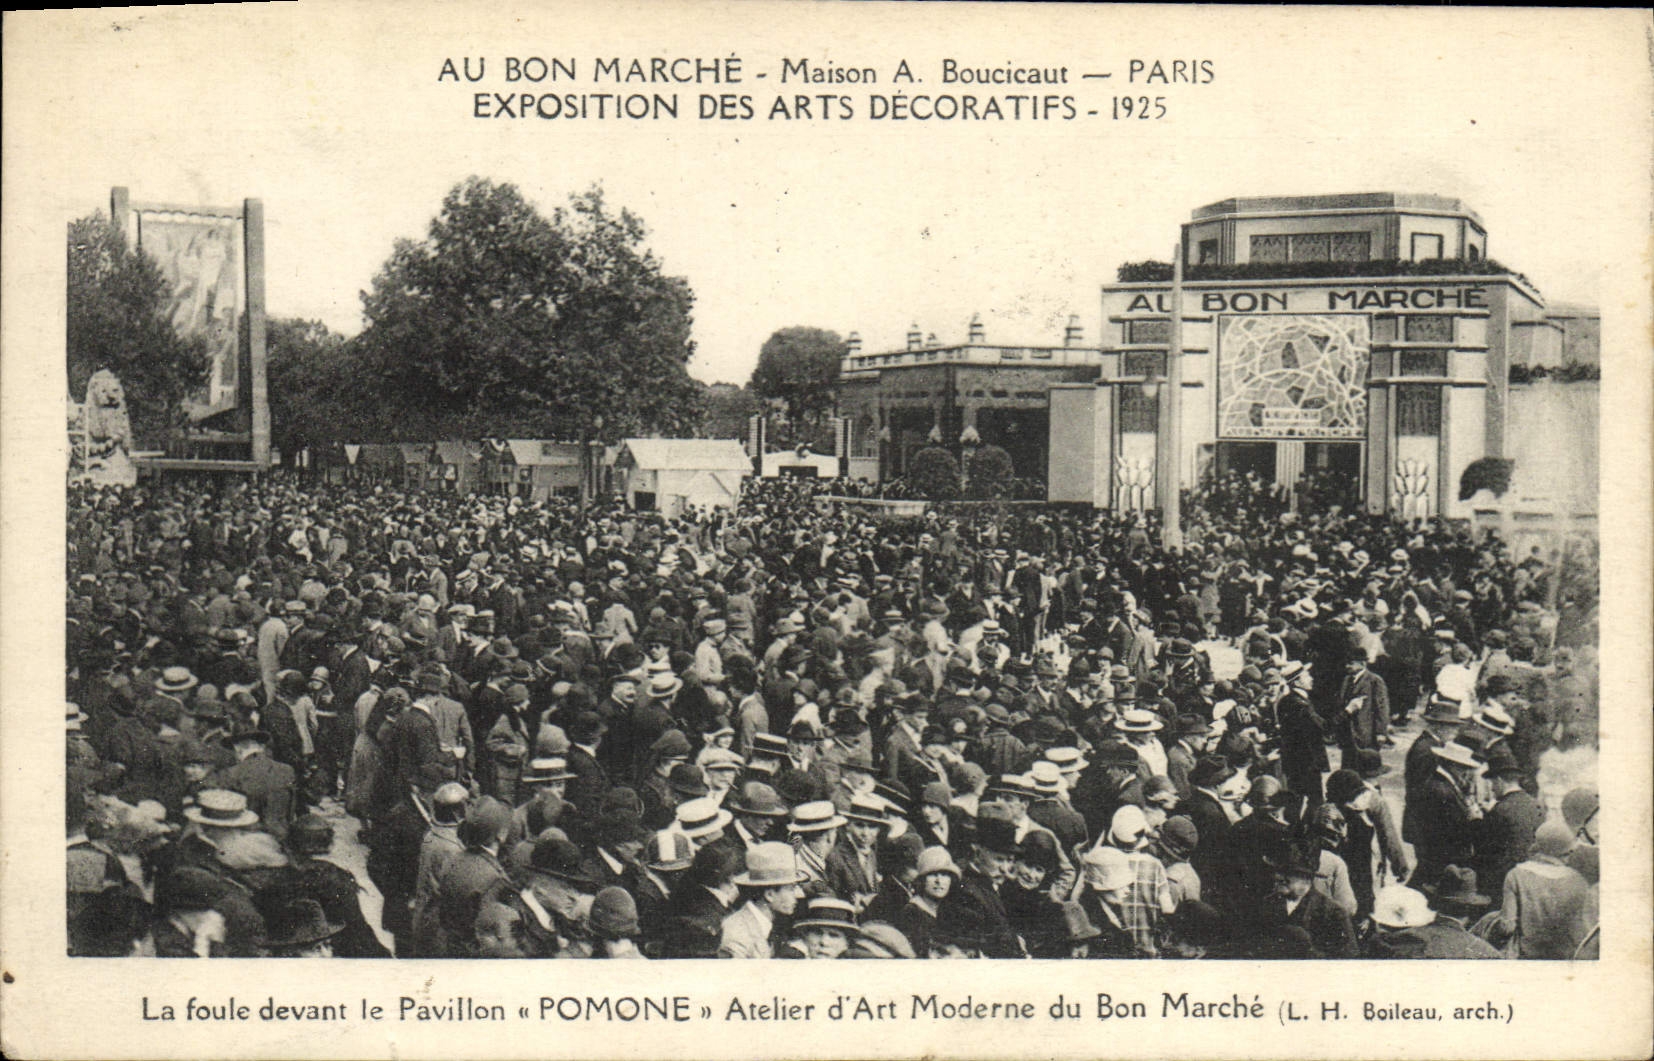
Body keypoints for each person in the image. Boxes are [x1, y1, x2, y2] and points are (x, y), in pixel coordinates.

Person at [1495, 820, 1590, 959]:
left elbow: (1507, 927)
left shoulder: (1516, 875)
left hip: (1527, 956)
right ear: (1567, 849)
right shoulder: (1578, 880)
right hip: (1565, 958)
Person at [719, 841, 807, 959]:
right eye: (791, 889)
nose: (798, 894)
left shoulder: (768, 925)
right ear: (770, 895)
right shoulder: (738, 932)